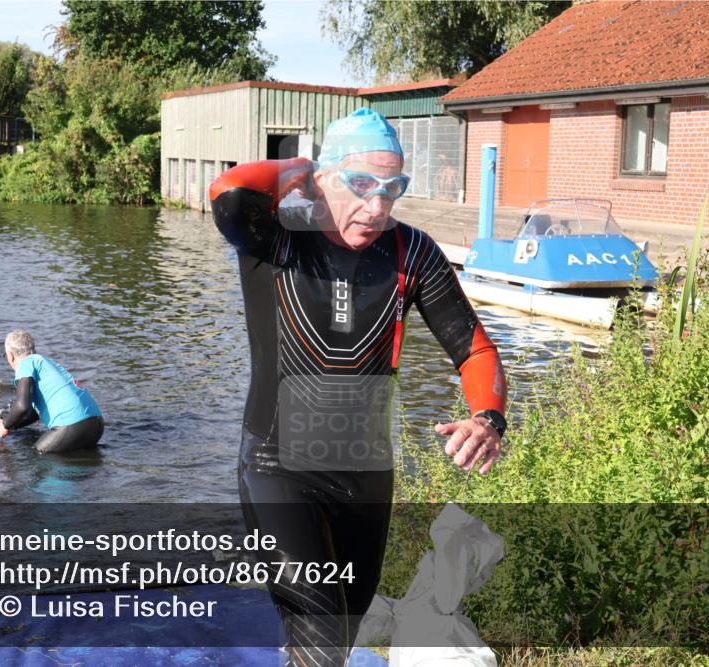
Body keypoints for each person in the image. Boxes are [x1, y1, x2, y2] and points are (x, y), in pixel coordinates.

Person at [209, 107, 507, 666]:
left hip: (366, 476)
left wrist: (487, 418)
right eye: (361, 184)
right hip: (277, 467)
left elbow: (476, 349)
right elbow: (228, 190)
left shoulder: (412, 252)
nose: (377, 208)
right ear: (322, 179)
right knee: (319, 631)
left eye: (392, 190)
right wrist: (301, 165)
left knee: (335, 639)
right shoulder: (273, 235)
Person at [0, 330, 103, 453]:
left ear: (10, 355)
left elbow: (22, 407)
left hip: (73, 424)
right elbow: (35, 412)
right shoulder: (47, 363)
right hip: (96, 423)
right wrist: (11, 426)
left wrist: (5, 424)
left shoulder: (25, 364)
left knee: (37, 455)